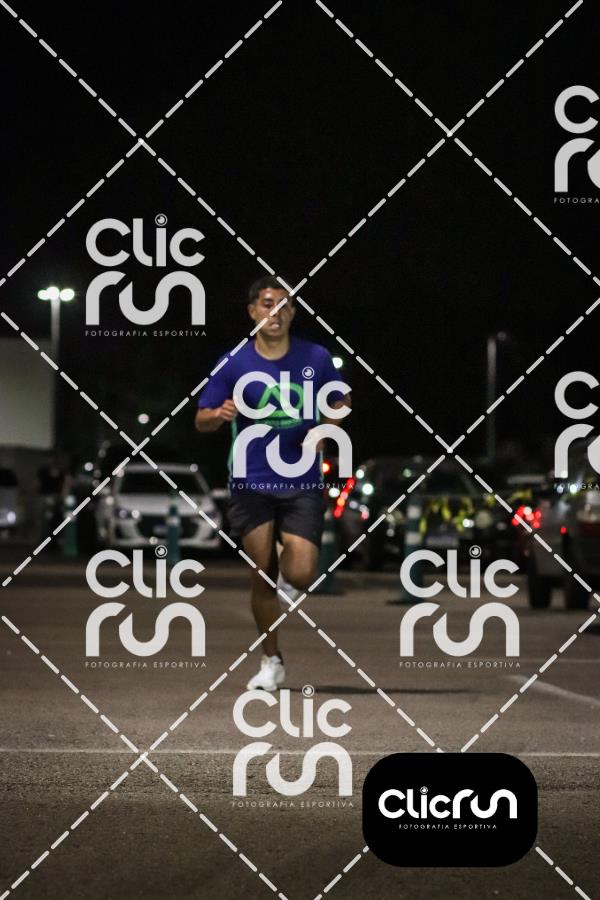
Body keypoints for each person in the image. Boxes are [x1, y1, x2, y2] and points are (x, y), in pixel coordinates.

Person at [195, 276, 351, 691]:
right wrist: (219, 414)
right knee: (261, 572)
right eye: (267, 304)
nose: (275, 312)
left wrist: (325, 429)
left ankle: (288, 569)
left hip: (302, 478)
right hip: (251, 480)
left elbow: (341, 401)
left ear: (293, 313)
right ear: (253, 311)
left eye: (284, 305)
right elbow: (201, 419)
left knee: (300, 574)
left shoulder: (315, 356)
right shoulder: (234, 362)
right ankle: (272, 661)